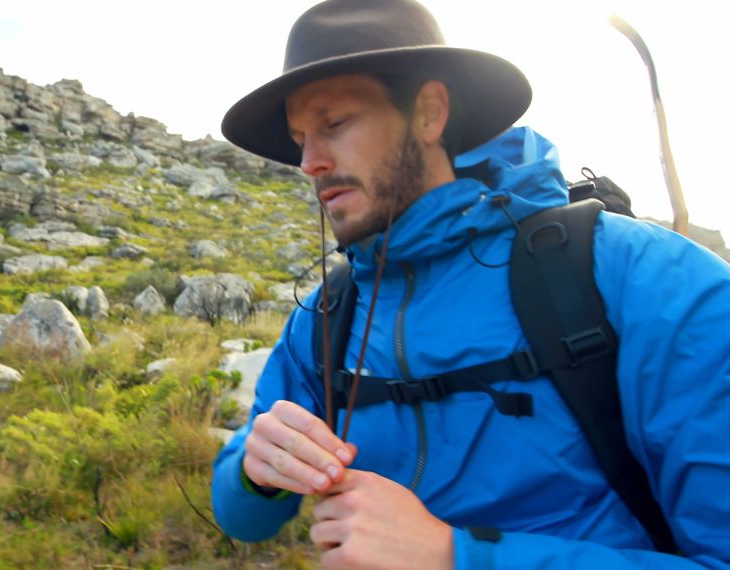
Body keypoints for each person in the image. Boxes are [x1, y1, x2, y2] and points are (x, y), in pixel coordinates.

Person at [210, 0, 730, 568]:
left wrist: (453, 555)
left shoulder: (647, 281)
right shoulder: (327, 317)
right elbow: (244, 520)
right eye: (299, 138)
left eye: (334, 124)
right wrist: (252, 471)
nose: (308, 161)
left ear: (430, 113)